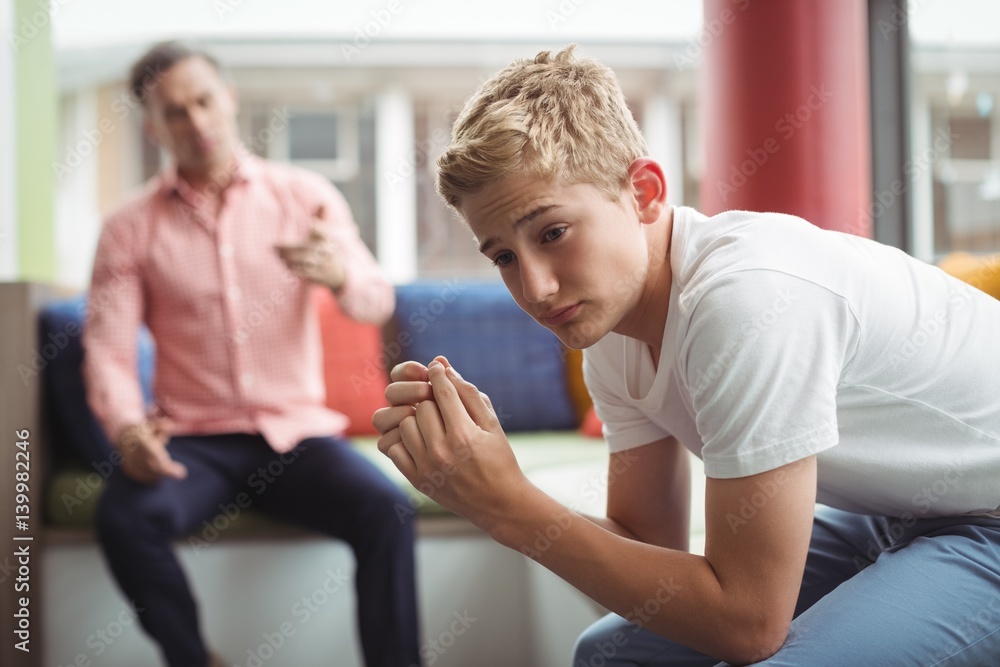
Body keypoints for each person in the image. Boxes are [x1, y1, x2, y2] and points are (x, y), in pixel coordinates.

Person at [372, 46, 1000, 666]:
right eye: (504, 257)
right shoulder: (611, 337)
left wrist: (509, 507)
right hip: (900, 511)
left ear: (643, 193)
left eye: (552, 233)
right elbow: (648, 546)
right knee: (613, 655)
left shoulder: (746, 299)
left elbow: (746, 623)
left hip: (988, 518)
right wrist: (487, 484)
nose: (535, 289)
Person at [83, 41, 420, 667]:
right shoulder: (128, 226)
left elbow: (375, 299)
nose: (196, 122)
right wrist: (128, 431)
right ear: (153, 127)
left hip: (295, 437)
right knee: (123, 519)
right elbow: (108, 347)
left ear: (229, 99)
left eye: (204, 101)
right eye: (174, 112)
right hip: (194, 443)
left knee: (386, 509)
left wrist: (338, 273)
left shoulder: (304, 196)